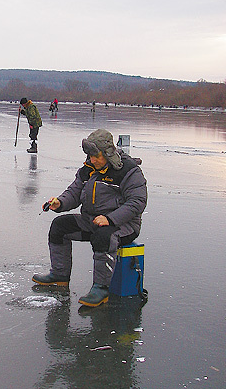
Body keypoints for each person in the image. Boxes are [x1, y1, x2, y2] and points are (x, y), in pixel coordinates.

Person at [32, 129, 147, 307]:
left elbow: (137, 202)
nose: (92, 160)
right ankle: (60, 275)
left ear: (108, 153)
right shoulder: (88, 169)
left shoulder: (129, 171)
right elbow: (75, 191)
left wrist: (110, 219)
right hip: (92, 220)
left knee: (104, 236)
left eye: (96, 156)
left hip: (123, 225)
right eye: (90, 156)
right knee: (59, 226)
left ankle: (101, 288)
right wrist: (60, 203)